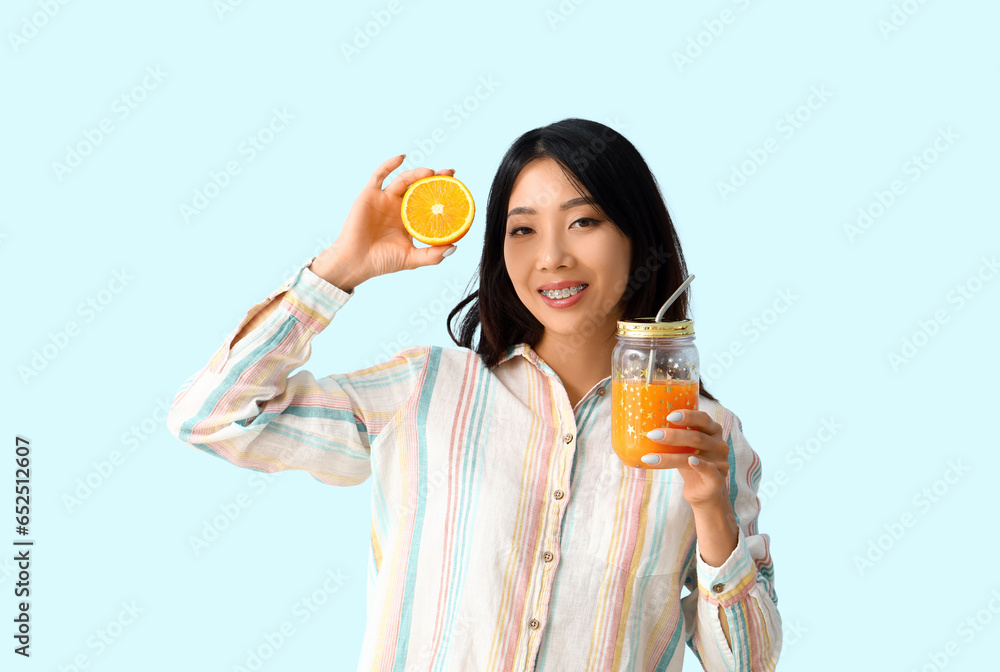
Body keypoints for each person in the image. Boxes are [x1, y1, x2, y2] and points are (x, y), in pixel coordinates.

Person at [167, 118, 782, 671]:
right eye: (522, 230)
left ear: (637, 237)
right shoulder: (424, 392)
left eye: (584, 221)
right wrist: (341, 267)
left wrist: (711, 510)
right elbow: (212, 417)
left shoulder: (705, 437)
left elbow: (750, 665)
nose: (551, 257)